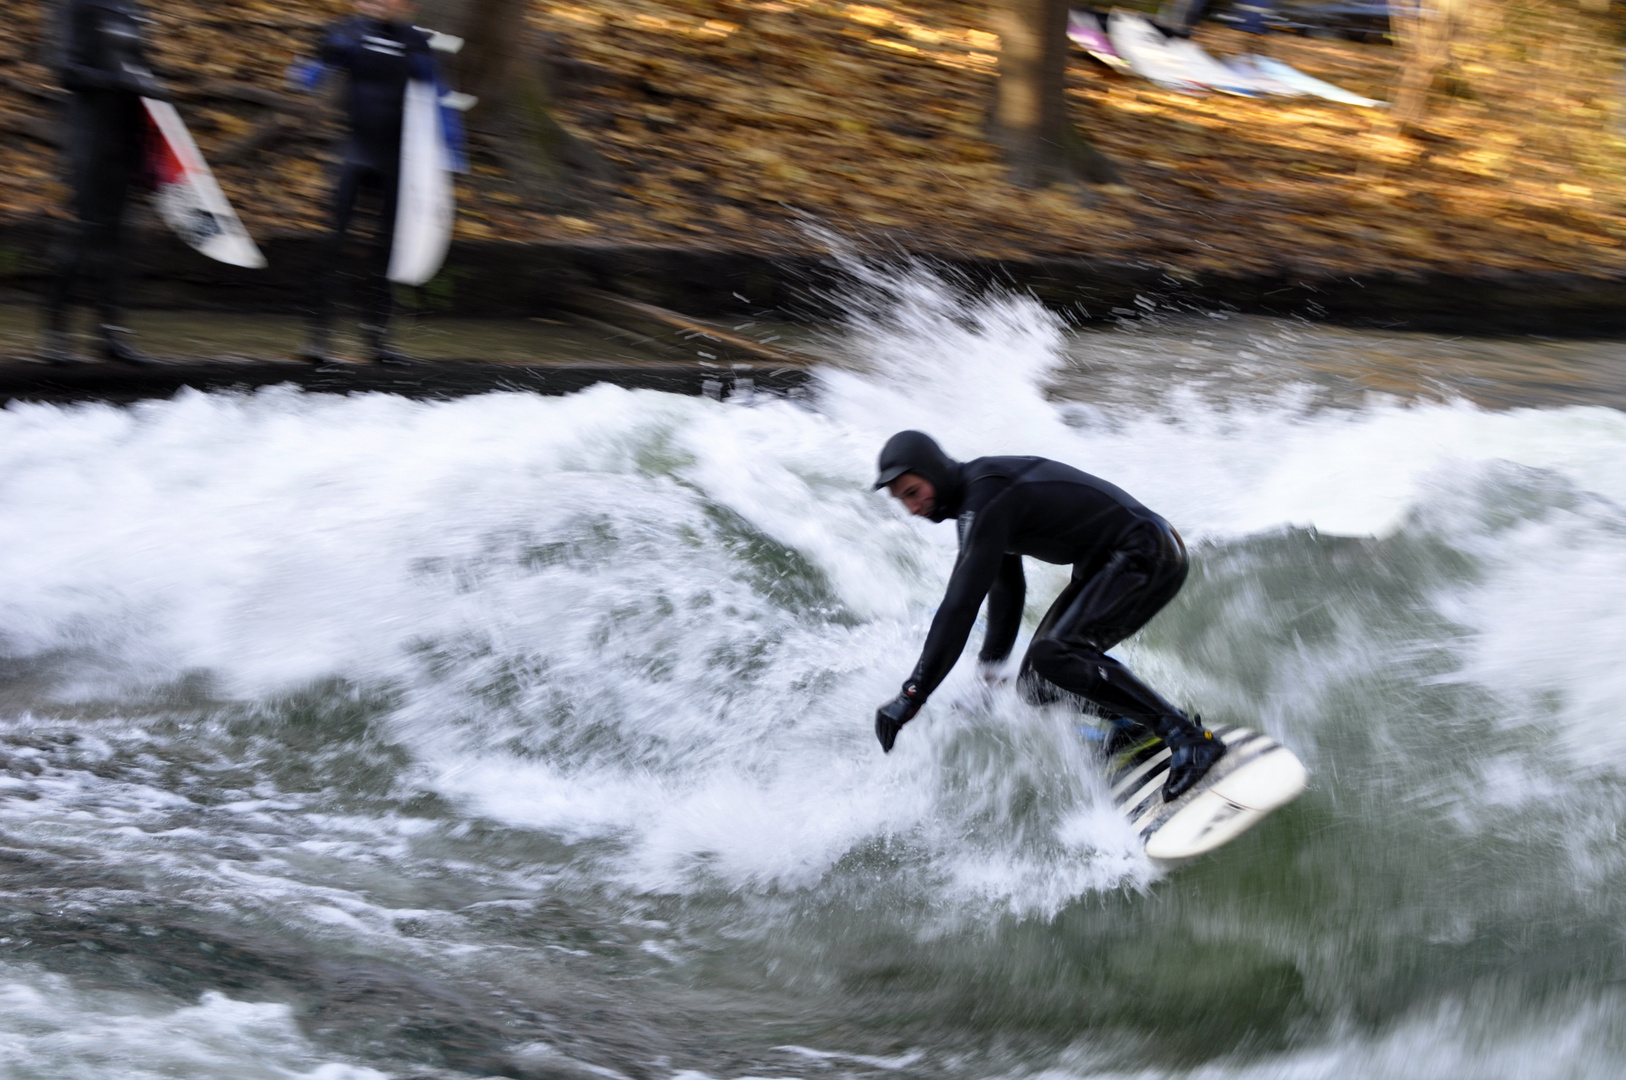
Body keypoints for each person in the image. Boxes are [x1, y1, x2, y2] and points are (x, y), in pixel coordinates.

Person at [870, 430, 1225, 801]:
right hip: (1113, 563)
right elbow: (1006, 592)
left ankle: (1187, 736)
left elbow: (959, 606)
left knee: (1057, 653)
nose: (912, 508)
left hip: (1146, 553)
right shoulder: (979, 503)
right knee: (1037, 683)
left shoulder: (986, 497)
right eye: (902, 501)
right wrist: (988, 675)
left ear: (934, 472)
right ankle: (1136, 724)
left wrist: (912, 695)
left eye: (913, 492)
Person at [298, 0, 435, 365]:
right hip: (355, 153)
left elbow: (434, 98)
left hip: (395, 160)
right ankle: (318, 338)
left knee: (385, 249)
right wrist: (320, 60)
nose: (378, 4)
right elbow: (305, 77)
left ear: (407, 5)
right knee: (333, 243)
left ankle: (377, 341)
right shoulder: (347, 30)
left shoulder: (416, 41)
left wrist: (448, 155)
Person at [40, 0, 173, 366]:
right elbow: (65, 71)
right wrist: (120, 82)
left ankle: (111, 335)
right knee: (84, 234)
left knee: (118, 239)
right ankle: (55, 335)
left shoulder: (131, 9)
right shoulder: (75, 6)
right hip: (89, 139)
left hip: (125, 140)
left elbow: (140, 64)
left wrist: (158, 83)